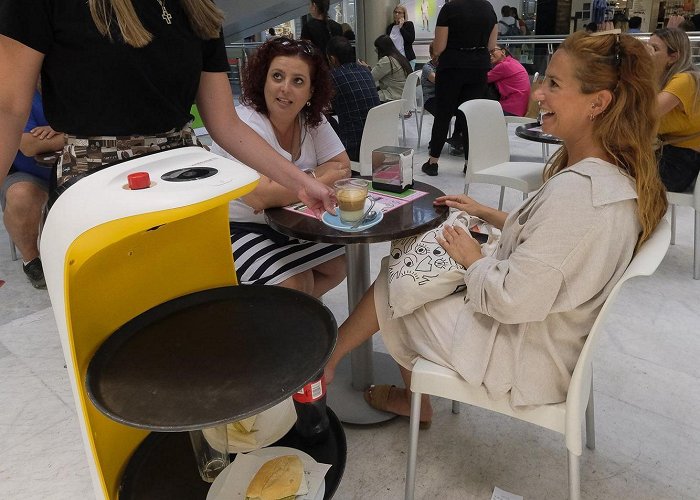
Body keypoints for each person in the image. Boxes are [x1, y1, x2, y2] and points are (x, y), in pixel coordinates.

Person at [324, 31, 667, 427]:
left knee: (397, 284)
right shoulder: (611, 177)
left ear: (598, 103)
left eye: (554, 84)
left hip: (525, 356)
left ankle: (339, 366)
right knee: (410, 272)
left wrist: (471, 258)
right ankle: (385, 384)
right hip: (546, 332)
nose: (539, 93)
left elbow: (513, 300)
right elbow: (552, 243)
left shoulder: (582, 196)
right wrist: (486, 212)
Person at [0, 0, 336, 218]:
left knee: (193, 320)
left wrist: (300, 183)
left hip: (187, 181)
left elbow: (225, 124)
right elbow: (8, 108)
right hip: (96, 187)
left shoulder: (197, 8)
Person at [210, 38, 349, 296]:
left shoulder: (312, 121)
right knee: (296, 283)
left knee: (340, 264)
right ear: (263, 80)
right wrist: (317, 178)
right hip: (235, 228)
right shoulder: (244, 123)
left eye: (298, 81)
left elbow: (343, 166)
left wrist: (286, 186)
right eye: (277, 76)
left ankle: (289, 317)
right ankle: (285, 318)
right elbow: (260, 195)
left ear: (310, 92)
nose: (285, 88)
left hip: (288, 223)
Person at [421, 0, 498, 176]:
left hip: (452, 67)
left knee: (443, 115)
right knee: (469, 117)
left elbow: (439, 47)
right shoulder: (488, 8)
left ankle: (433, 163)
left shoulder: (450, 8)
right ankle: (468, 164)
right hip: (478, 67)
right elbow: (491, 46)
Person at [1, 86, 62, 289]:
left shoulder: (75, 84)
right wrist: (70, 131)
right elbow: (28, 145)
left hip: (76, 166)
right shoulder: (17, 91)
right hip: (30, 174)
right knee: (20, 196)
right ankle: (32, 261)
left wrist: (59, 133)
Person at [648, 28, 700, 192]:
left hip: (681, 159)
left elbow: (645, 112)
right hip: (668, 151)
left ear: (673, 57)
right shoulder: (663, 78)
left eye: (654, 49)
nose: (648, 54)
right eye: (647, 47)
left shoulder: (685, 80)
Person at [326, 36, 381, 162]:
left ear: (332, 59)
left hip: (353, 147)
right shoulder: (365, 71)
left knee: (323, 121)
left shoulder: (333, 76)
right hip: (376, 141)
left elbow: (323, 105)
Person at [360, 35, 412, 103]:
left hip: (392, 96)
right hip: (402, 94)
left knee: (363, 97)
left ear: (381, 49)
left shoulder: (387, 60)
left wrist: (364, 69)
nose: (376, 51)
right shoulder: (400, 57)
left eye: (377, 49)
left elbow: (371, 78)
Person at [487, 45, 531, 116]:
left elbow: (482, 79)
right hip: (520, 108)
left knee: (480, 110)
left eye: (493, 51)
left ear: (503, 51)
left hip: (511, 109)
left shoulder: (504, 66)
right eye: (488, 52)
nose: (489, 54)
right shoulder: (513, 62)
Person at [385, 4, 416, 70]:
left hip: (407, 58)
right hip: (394, 60)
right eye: (395, 12)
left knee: (408, 79)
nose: (397, 14)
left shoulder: (409, 24)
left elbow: (411, 39)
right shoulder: (390, 27)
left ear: (404, 14)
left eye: (399, 12)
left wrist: (401, 27)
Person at [421, 42, 438, 116]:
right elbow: (438, 81)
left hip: (441, 96)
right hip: (430, 98)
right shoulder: (427, 68)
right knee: (444, 112)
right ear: (431, 55)